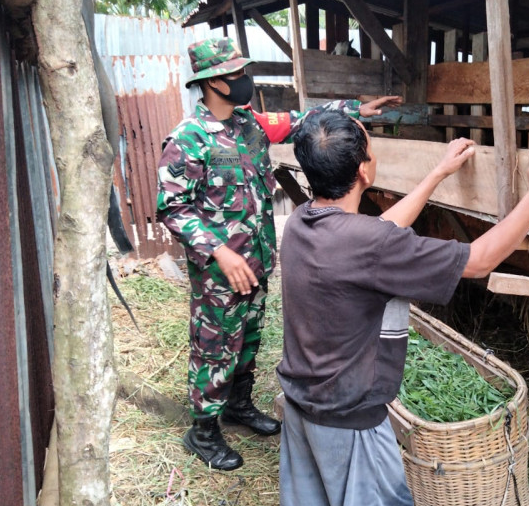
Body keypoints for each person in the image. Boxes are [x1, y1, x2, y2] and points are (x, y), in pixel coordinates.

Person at [276, 110, 529, 506]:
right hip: (349, 413)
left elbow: (377, 233)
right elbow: (478, 260)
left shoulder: (303, 221)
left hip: (302, 397)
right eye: (368, 145)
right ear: (363, 169)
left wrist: (436, 175)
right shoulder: (367, 244)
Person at [157, 37, 401, 471]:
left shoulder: (249, 125)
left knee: (248, 341)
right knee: (215, 348)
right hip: (220, 273)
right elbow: (172, 207)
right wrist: (219, 253)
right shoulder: (188, 138)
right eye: (235, 73)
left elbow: (300, 120)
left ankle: (238, 405)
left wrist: (354, 109)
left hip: (257, 261)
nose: (243, 80)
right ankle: (203, 430)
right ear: (212, 81)